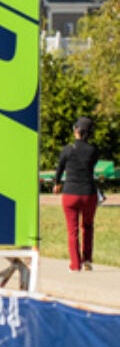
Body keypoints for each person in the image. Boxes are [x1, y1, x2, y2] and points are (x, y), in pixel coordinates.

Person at [59, 114, 102, 272]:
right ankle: (87, 260)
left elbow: (59, 169)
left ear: (77, 130)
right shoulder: (94, 150)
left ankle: (75, 264)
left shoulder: (67, 150)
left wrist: (57, 183)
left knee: (73, 229)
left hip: (70, 192)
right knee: (88, 226)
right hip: (89, 193)